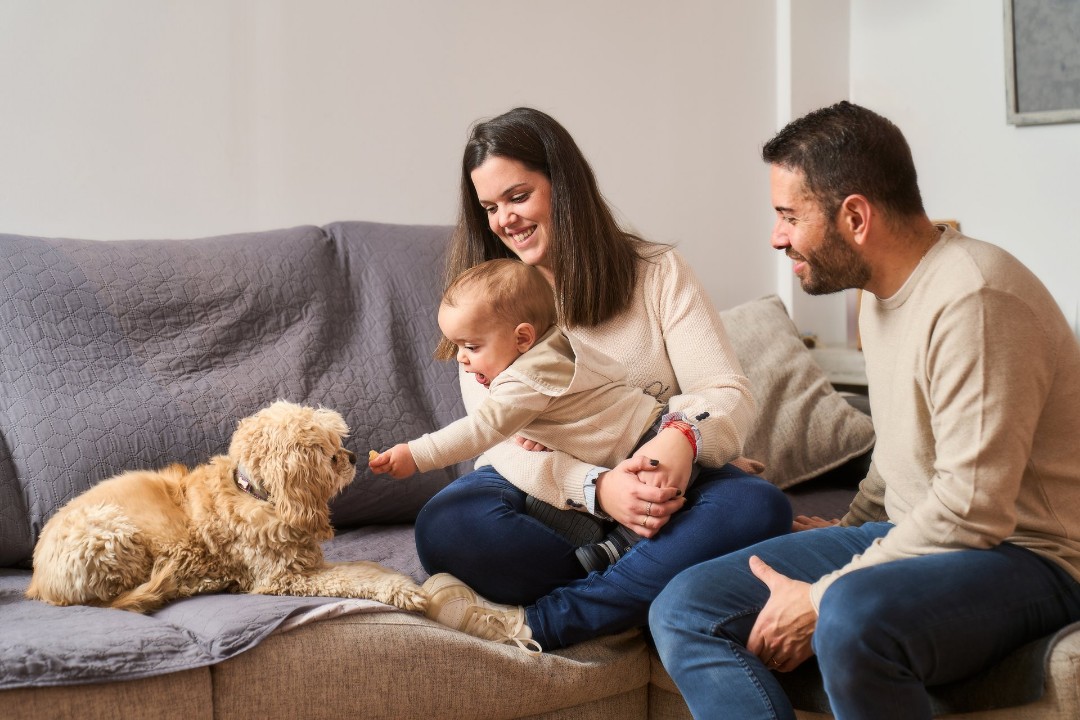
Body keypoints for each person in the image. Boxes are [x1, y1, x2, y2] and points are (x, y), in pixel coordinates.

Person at [649, 100, 1080, 720]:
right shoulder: (880, 297)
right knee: (684, 608)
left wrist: (821, 595)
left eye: (788, 216)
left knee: (849, 617)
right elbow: (899, 450)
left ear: (854, 215)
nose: (777, 237)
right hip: (919, 539)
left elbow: (975, 510)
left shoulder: (975, 299)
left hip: (1027, 556)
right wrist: (851, 529)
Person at [413, 107, 792, 653]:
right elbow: (496, 438)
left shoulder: (658, 272)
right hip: (549, 490)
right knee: (447, 525)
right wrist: (596, 489)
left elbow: (725, 392)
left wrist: (680, 440)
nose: (504, 220)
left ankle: (551, 620)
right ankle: (651, 581)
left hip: (662, 481)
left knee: (758, 508)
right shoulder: (480, 300)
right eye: (490, 207)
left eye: (518, 197)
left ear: (564, 186)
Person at [371, 257, 702, 573]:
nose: (461, 358)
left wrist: (416, 454)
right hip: (604, 458)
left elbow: (481, 430)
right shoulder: (549, 347)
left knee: (656, 491)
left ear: (522, 338)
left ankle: (622, 545)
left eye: (471, 347)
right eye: (457, 346)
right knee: (533, 508)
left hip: (641, 440)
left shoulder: (529, 376)